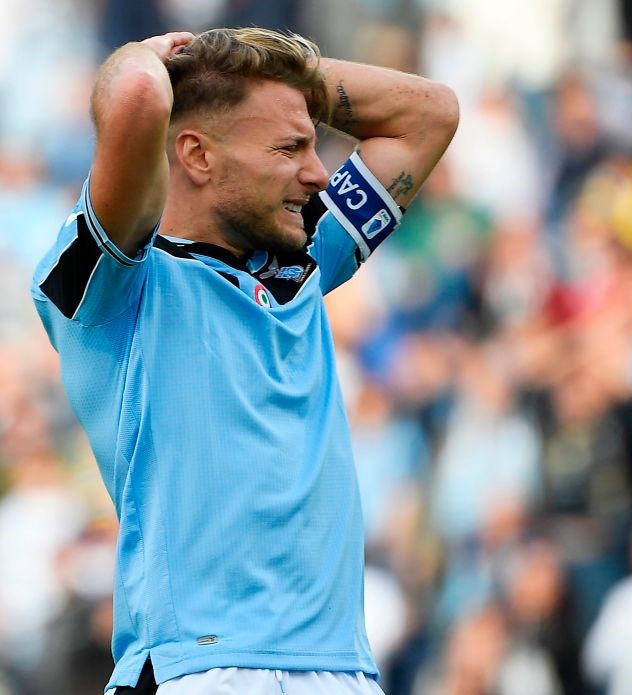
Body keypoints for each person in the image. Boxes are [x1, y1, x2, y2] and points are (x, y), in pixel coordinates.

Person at [29, 27, 458, 694]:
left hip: (342, 668)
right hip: (198, 667)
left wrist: (283, 84)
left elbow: (429, 113)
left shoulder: (306, 259)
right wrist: (159, 54)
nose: (318, 171)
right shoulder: (117, 291)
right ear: (196, 154)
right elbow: (140, 94)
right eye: (290, 147)